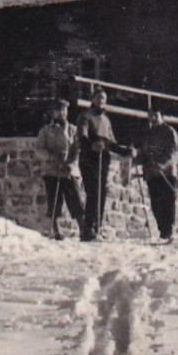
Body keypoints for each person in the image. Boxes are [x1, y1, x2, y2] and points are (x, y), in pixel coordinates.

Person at [36, 100, 84, 240]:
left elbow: (77, 149)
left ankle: (83, 228)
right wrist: (52, 156)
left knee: (75, 198)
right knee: (54, 200)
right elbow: (39, 149)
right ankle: (55, 230)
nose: (62, 113)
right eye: (59, 110)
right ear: (53, 112)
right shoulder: (46, 130)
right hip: (52, 170)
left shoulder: (73, 130)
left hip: (68, 170)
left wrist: (71, 163)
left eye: (64, 110)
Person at [77, 89, 120, 242]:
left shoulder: (106, 120)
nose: (101, 100)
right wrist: (92, 145)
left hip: (104, 158)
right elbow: (82, 136)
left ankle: (97, 227)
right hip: (89, 158)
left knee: (101, 191)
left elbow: (112, 142)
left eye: (104, 98)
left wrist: (125, 151)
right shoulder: (86, 116)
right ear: (93, 99)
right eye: (99, 97)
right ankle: (88, 227)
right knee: (93, 191)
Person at [136, 107, 178, 243]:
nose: (153, 118)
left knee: (167, 202)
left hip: (166, 172)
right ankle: (162, 231)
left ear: (162, 116)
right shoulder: (148, 134)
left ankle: (169, 231)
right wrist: (142, 161)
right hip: (152, 173)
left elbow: (172, 150)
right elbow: (145, 151)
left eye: (156, 115)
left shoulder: (169, 132)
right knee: (156, 203)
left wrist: (163, 164)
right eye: (151, 116)